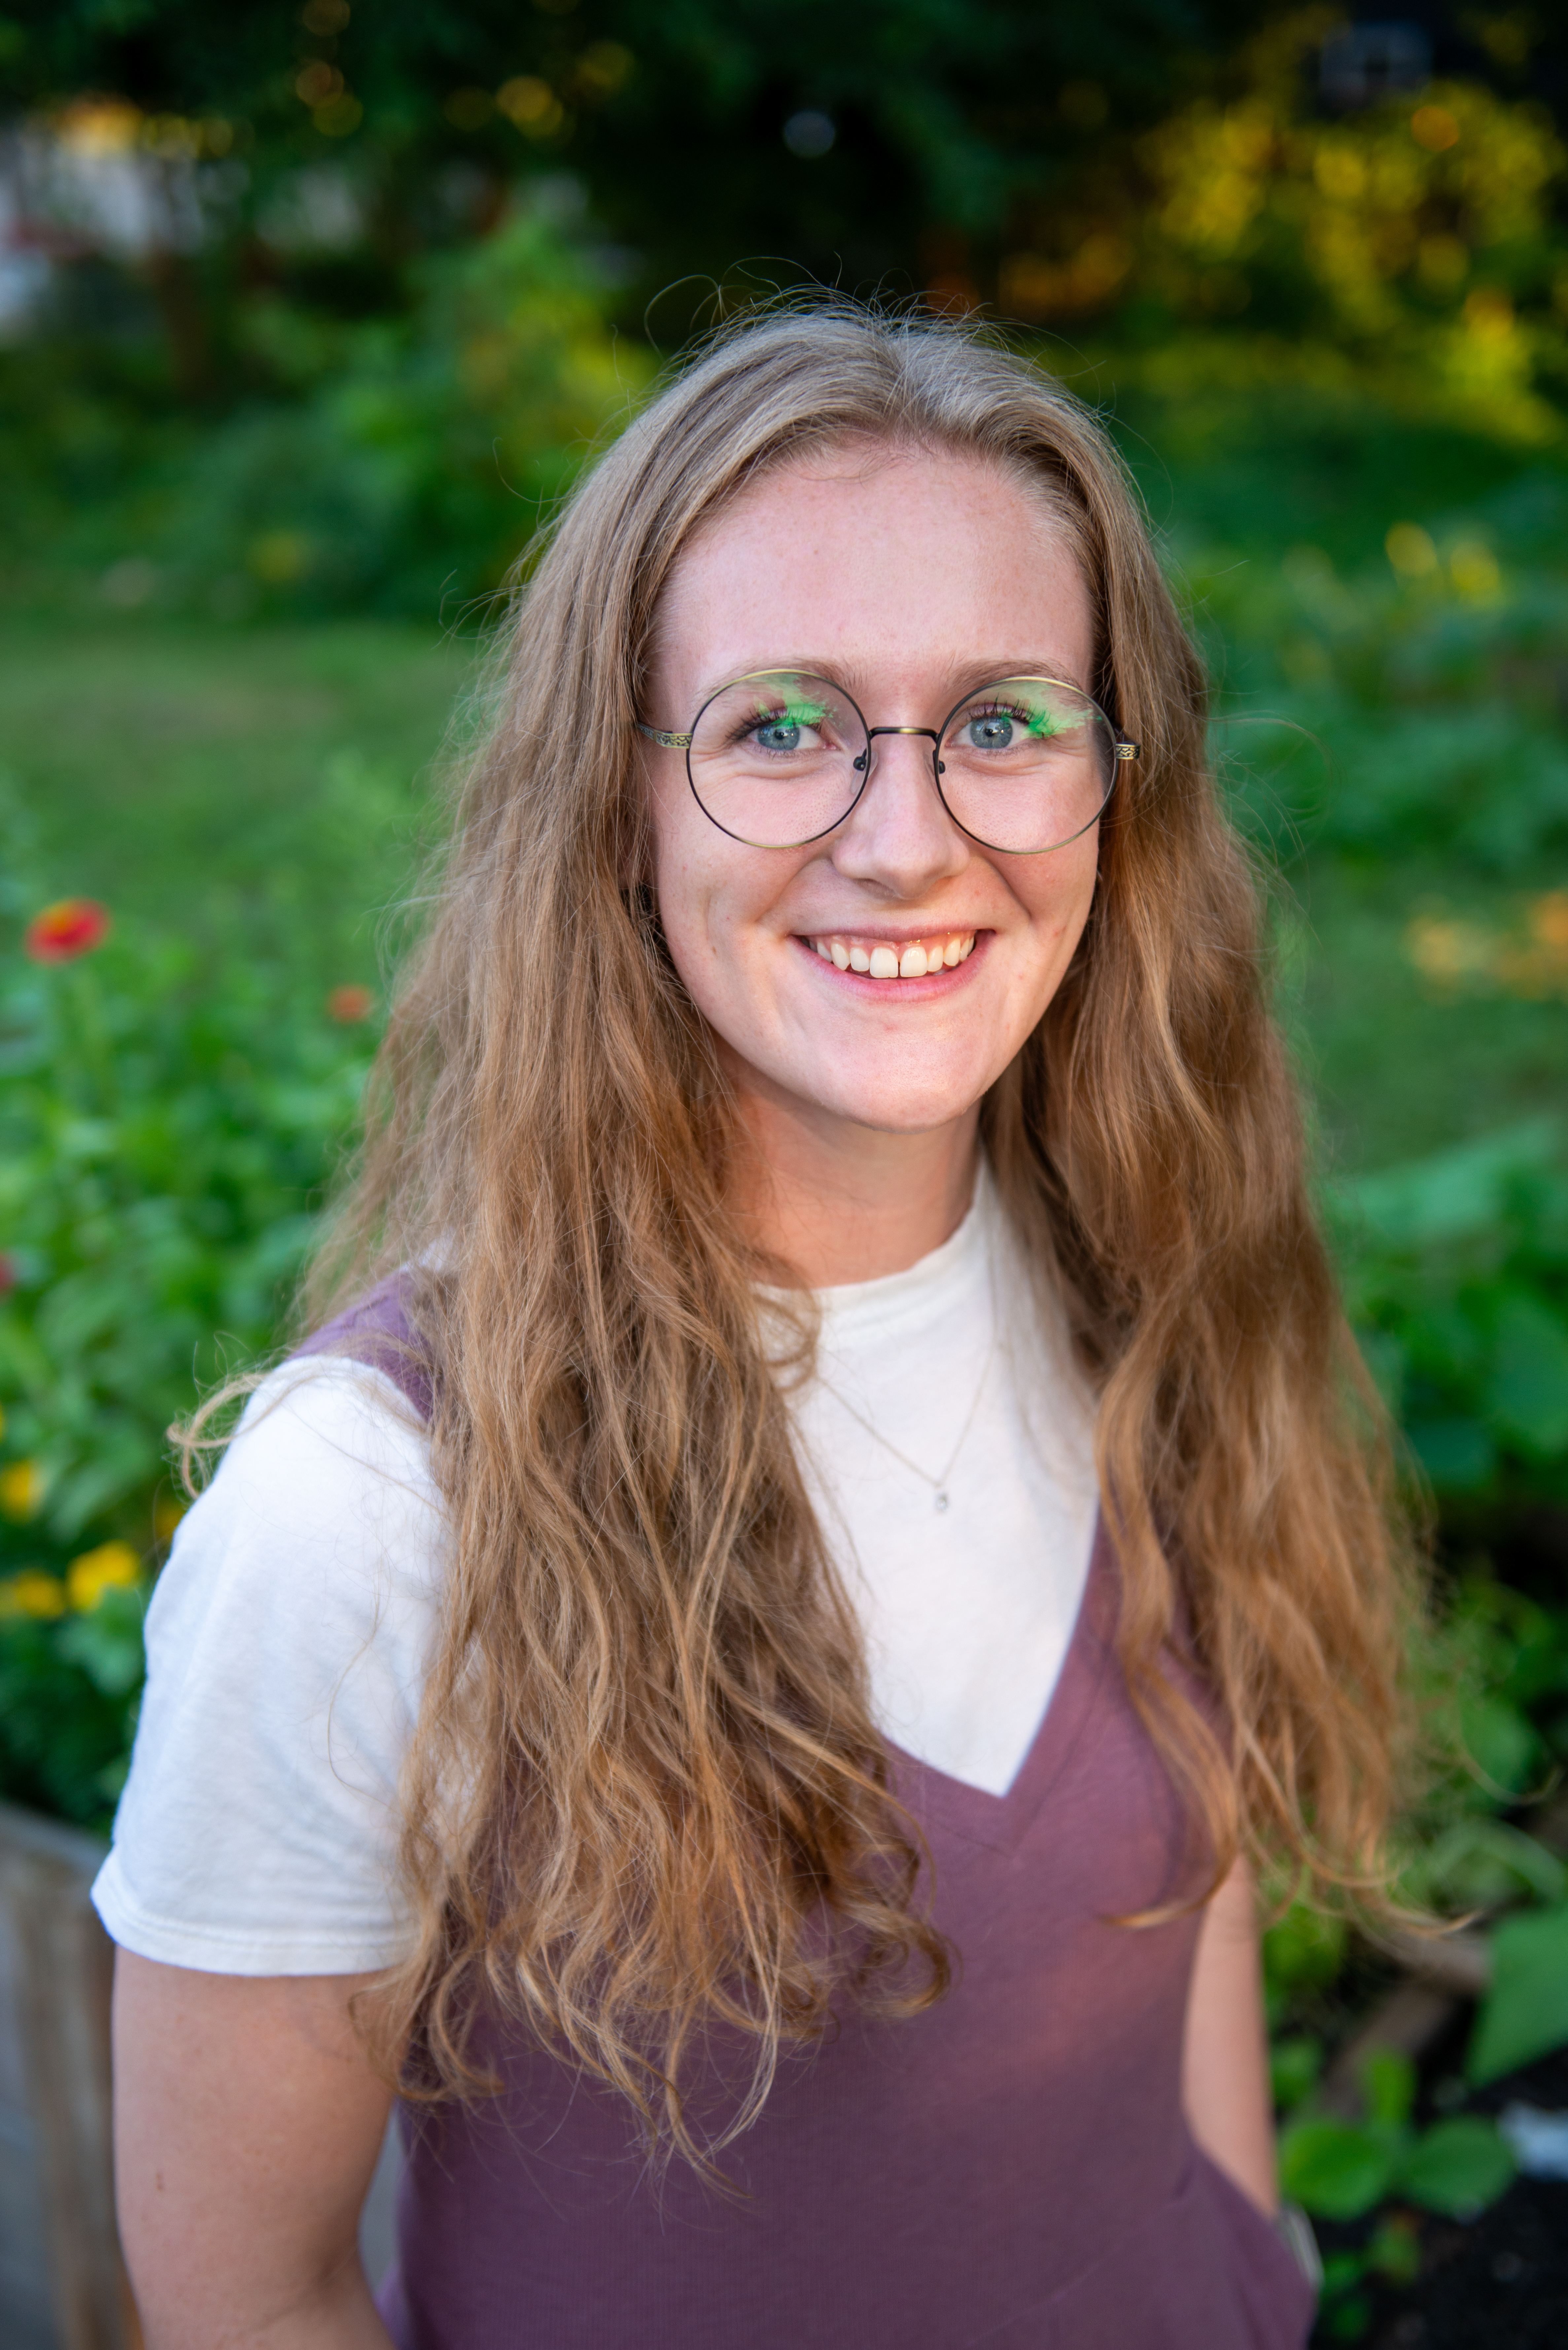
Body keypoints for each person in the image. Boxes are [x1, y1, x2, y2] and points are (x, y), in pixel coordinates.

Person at [96, 306, 1411, 2350]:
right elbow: (244, 2303)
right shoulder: (371, 1512)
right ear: (614, 800)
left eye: (1002, 721)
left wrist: (1253, 2260)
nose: (905, 838)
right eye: (782, 725)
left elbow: (1182, 1906)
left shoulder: (1154, 1286)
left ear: (1115, 784)